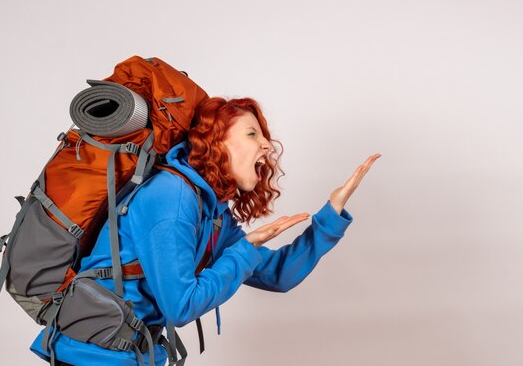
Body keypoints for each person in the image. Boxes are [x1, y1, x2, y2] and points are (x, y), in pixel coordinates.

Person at [30, 97, 380, 365]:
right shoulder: (172, 197)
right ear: (217, 141)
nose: (267, 146)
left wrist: (330, 215)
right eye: (252, 133)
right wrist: (245, 249)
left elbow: (278, 275)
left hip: (130, 353)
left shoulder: (210, 212)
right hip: (92, 355)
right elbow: (181, 306)